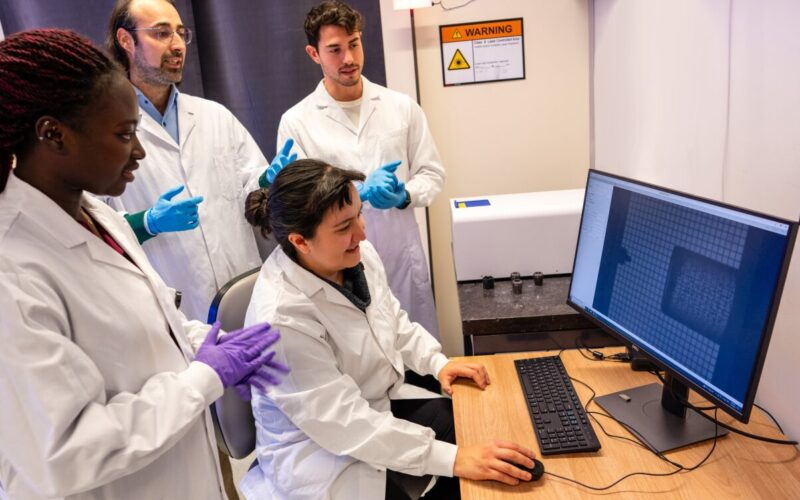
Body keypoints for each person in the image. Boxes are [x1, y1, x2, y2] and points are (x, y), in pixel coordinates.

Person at [0, 29, 287, 499]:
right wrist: (206, 376)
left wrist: (217, 347)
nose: (139, 151)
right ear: (53, 134)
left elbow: (161, 322)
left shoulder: (98, 217)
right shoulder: (11, 271)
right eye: (124, 134)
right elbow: (65, 453)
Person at [239, 160, 536, 500]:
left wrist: (437, 363)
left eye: (359, 214)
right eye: (344, 227)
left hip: (374, 406)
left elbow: (391, 318)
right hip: (320, 453)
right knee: (465, 472)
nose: (362, 233)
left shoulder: (353, 254)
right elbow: (345, 424)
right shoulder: (281, 318)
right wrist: (455, 459)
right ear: (300, 241)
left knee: (481, 430)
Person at [104, 0, 296, 322]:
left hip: (245, 296)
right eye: (161, 33)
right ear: (126, 40)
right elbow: (94, 225)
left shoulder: (214, 116)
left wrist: (265, 182)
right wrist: (148, 223)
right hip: (172, 306)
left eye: (181, 33)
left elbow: (250, 187)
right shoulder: (104, 128)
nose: (177, 45)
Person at [275, 0, 444, 337]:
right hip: (337, 265)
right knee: (362, 362)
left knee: (419, 358)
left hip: (399, 257)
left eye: (353, 44)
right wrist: (357, 195)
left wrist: (403, 194)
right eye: (335, 50)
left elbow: (432, 174)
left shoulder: (401, 107)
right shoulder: (296, 122)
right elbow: (299, 206)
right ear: (314, 54)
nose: (349, 59)